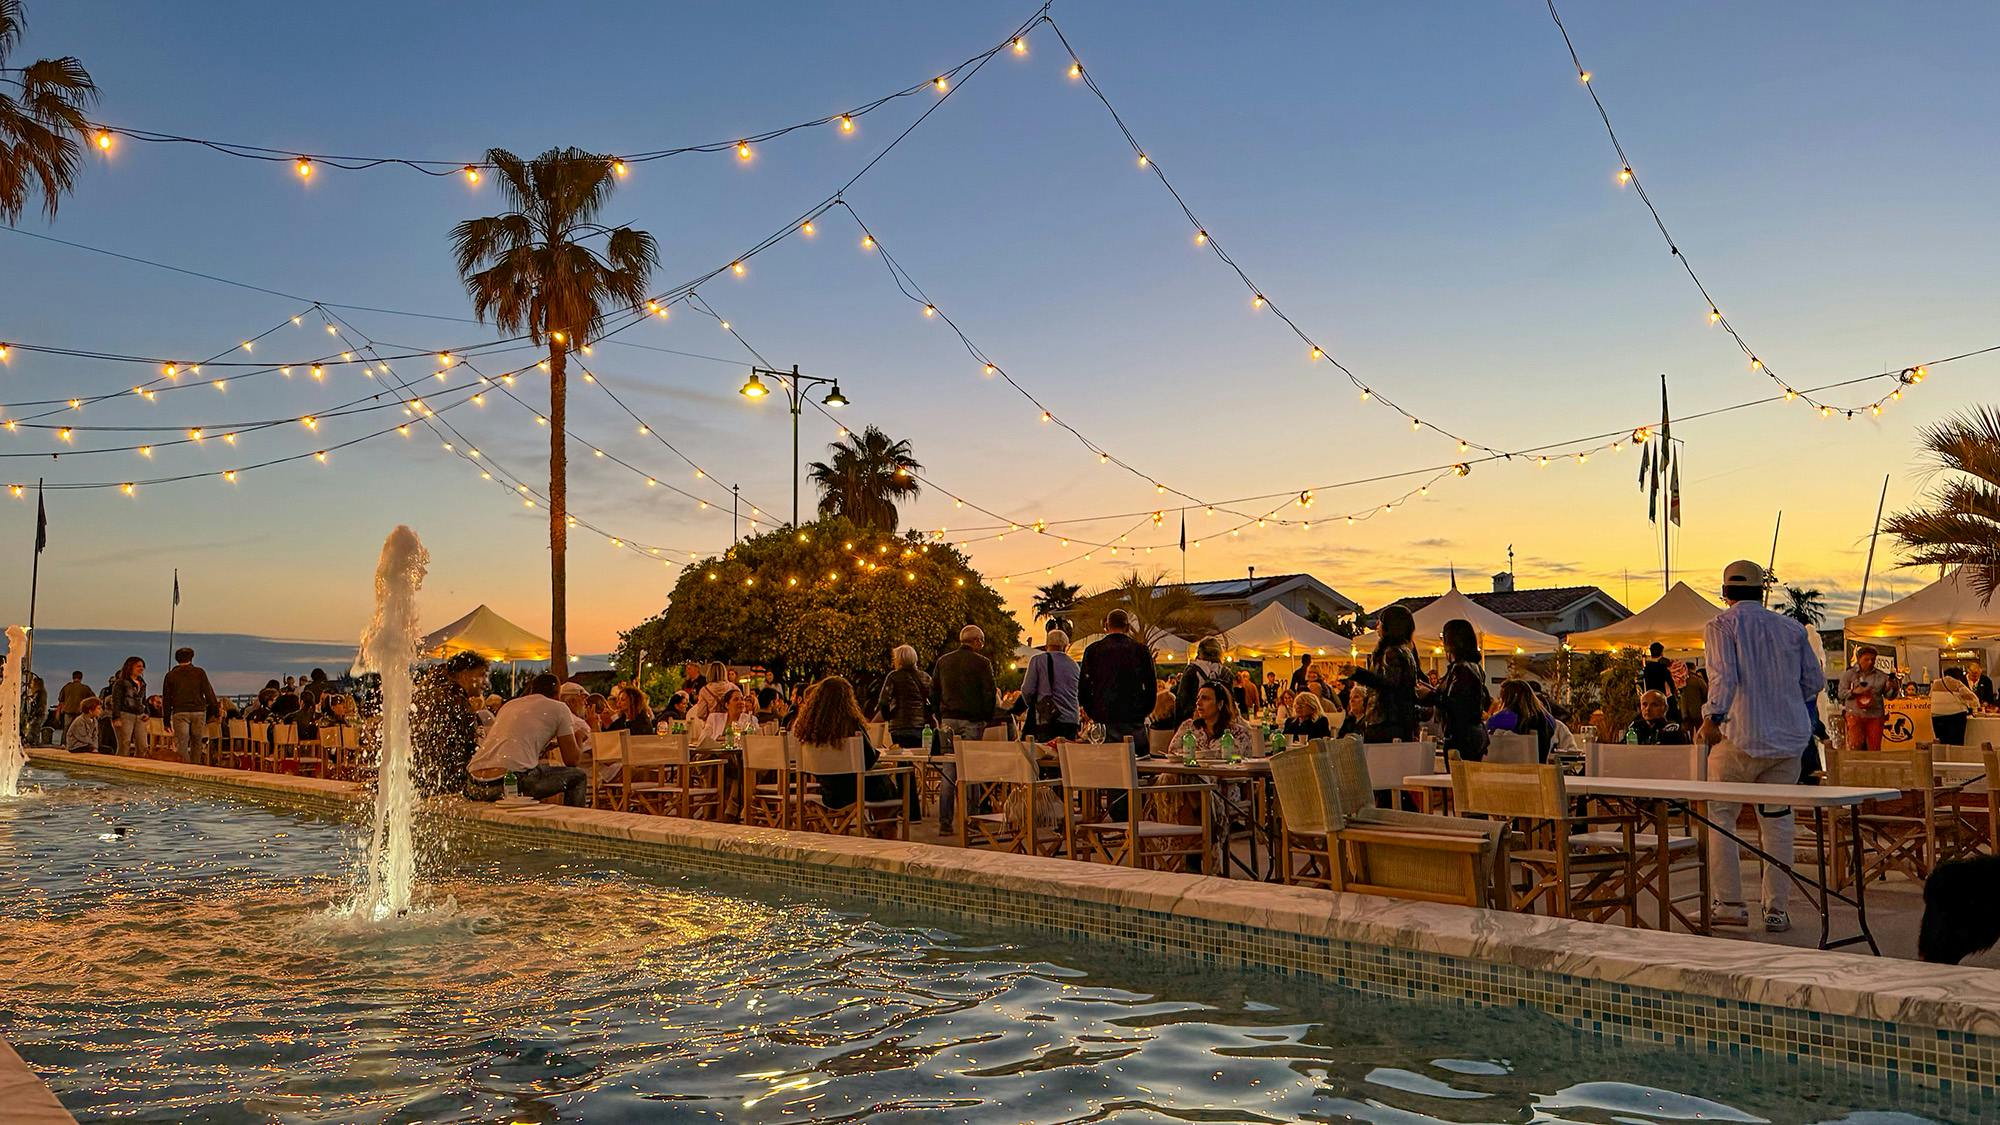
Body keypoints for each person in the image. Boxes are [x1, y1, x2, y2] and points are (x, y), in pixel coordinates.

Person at [1699, 559, 1825, 933]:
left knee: (1721, 817)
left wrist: (1712, 717)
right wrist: (1782, 703)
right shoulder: (1792, 628)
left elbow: (1723, 676)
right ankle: (1776, 910)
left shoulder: (1720, 625)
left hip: (1738, 736)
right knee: (1777, 821)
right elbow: (1813, 681)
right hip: (1788, 740)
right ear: (1762, 591)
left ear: (1725, 593)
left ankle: (1731, 904)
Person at [466, 673, 589, 805]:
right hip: (510, 781)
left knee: (536, 769)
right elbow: (572, 760)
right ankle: (571, 823)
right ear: (557, 695)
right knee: (578, 777)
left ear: (532, 690)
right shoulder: (559, 707)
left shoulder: (509, 705)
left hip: (474, 783)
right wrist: (579, 738)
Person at [789, 675, 899, 810]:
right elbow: (868, 759)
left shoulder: (809, 730)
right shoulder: (852, 726)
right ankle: (883, 828)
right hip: (856, 792)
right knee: (884, 781)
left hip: (829, 794)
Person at [930, 625, 997, 832]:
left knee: (949, 771)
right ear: (976, 641)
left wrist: (940, 716)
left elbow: (933, 692)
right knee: (971, 771)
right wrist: (986, 718)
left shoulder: (943, 661)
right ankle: (972, 819)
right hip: (972, 720)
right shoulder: (982, 663)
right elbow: (989, 693)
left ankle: (945, 822)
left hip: (949, 719)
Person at [1079, 609, 1158, 755]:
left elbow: (1083, 688)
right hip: (1134, 721)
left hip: (1103, 720)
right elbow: (1152, 686)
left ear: (1106, 626)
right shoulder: (1141, 651)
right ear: (1128, 627)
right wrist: (1143, 711)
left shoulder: (1092, 651)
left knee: (1107, 769)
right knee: (1138, 768)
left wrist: (1093, 712)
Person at [412, 652, 490, 797]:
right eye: (482, 675)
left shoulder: (430, 693)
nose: (485, 683)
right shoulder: (456, 701)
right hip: (444, 787)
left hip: (419, 782)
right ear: (465, 674)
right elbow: (466, 750)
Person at [1353, 604, 1421, 742]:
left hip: (1385, 721)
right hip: (1398, 721)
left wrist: (1358, 673)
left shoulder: (1392, 652)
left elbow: (1388, 685)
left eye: (1380, 622)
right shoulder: (1407, 651)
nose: (1377, 625)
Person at [1431, 619, 1491, 760]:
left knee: (1457, 779)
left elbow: (1457, 703)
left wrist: (1431, 696)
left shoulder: (1461, 669)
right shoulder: (1474, 668)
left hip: (1461, 737)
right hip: (1472, 736)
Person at [1021, 629, 1082, 741]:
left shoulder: (1037, 660)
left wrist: (1034, 704)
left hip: (1048, 719)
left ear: (1047, 645)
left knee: (1046, 755)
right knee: (1067, 756)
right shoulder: (1074, 665)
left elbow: (1027, 690)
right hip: (1071, 720)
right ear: (1065, 646)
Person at [1837, 645, 1899, 752]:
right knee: (1855, 746)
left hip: (1875, 716)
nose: (1870, 662)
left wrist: (1893, 688)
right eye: (1866, 659)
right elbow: (1841, 694)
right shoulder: (1849, 674)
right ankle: (1856, 768)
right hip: (1855, 714)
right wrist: (1853, 692)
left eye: (1873, 659)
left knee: (1874, 748)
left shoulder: (1881, 676)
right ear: (1859, 659)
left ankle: (1874, 768)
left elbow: (1889, 696)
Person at [1170, 682, 1252, 756]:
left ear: (1220, 704)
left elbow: (1243, 761)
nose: (1198, 703)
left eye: (1205, 698)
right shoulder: (1188, 727)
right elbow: (1173, 751)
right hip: (1190, 771)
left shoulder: (1237, 733)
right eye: (1198, 698)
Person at [1486, 679, 1557, 761]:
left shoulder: (1504, 717)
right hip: (1540, 766)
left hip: (1511, 765)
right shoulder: (1548, 718)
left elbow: (1488, 727)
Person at [878, 645, 932, 749]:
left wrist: (888, 717)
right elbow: (933, 698)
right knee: (918, 758)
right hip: (920, 726)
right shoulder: (925, 677)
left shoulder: (893, 677)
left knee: (902, 757)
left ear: (899, 660)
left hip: (899, 727)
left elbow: (883, 702)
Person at [1173, 637, 1234, 725]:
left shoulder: (1191, 670)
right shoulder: (1226, 673)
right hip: (1222, 724)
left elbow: (1182, 702)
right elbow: (1231, 702)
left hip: (1195, 724)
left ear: (1200, 652)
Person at [107, 656, 148, 756]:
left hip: (140, 715)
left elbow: (144, 700)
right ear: (130, 667)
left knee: (143, 746)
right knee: (125, 744)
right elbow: (116, 700)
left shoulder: (142, 683)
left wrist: (147, 712)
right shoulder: (120, 683)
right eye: (138, 666)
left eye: (142, 667)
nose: (141, 669)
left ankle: (139, 765)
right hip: (125, 714)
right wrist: (116, 717)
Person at [1931, 667, 1979, 746]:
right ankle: (1955, 757)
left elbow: (1930, 698)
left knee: (1941, 741)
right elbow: (1973, 698)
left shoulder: (1935, 683)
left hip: (1936, 716)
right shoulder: (1956, 683)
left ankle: (1942, 757)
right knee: (1956, 742)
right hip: (1955, 716)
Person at [1623, 690, 1691, 745]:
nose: (1647, 709)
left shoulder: (1673, 729)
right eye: (1644, 704)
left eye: (1654, 705)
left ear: (1665, 708)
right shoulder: (1635, 727)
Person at [1642, 642, 1676, 717]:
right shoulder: (1662, 667)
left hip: (1649, 696)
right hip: (1660, 696)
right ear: (1661, 653)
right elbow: (1670, 683)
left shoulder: (1647, 668)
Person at [1678, 665, 1709, 729]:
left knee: (1688, 732)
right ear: (1693, 668)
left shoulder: (1679, 680)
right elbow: (1706, 693)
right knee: (1700, 730)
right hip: (1697, 711)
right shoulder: (1698, 680)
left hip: (1684, 711)